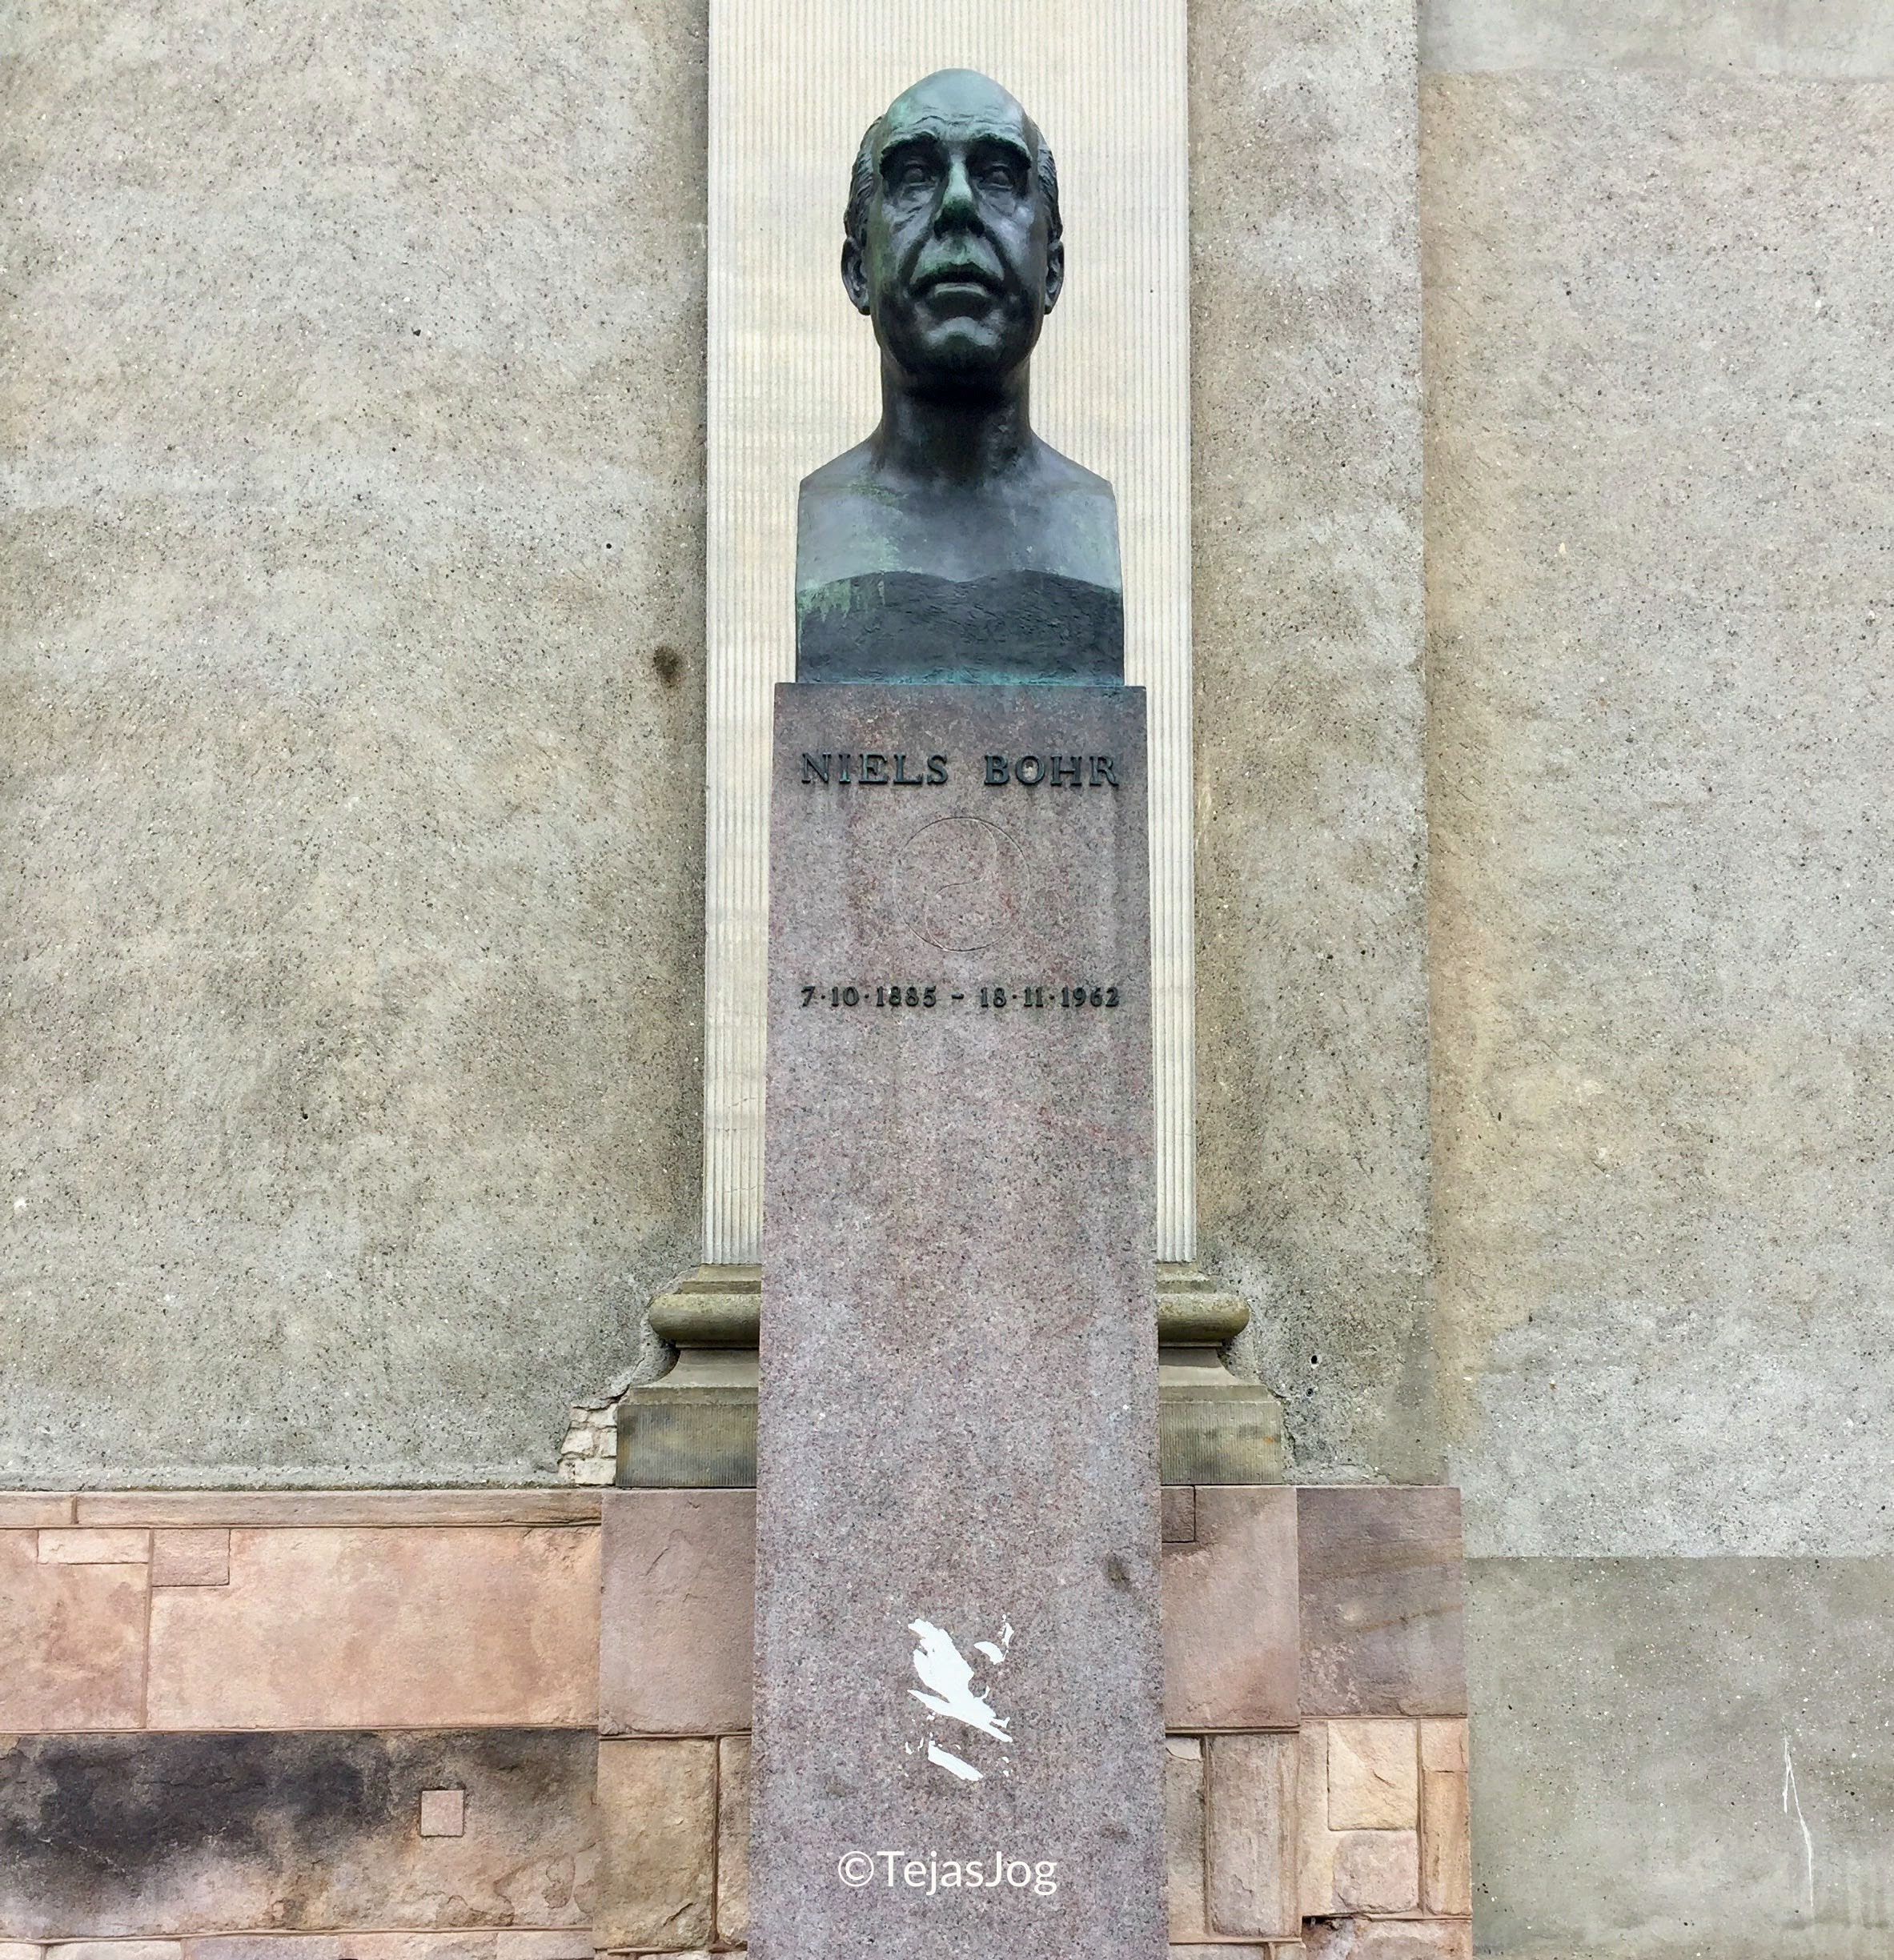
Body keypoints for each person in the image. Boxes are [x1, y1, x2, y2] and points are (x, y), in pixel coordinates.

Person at [796, 69, 1122, 683]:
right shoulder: (829, 517)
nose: (958, 206)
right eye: (915, 178)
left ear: (1052, 271)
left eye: (998, 177)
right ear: (857, 272)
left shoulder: (1087, 524)